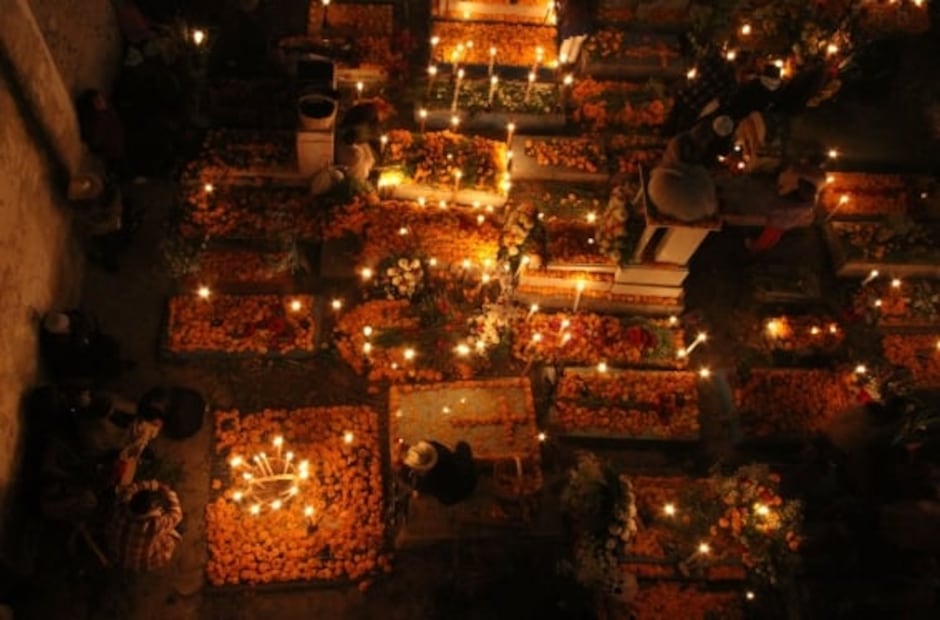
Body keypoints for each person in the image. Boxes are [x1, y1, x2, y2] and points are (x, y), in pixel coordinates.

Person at [108, 480, 182, 571]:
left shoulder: (120, 507)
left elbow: (131, 488)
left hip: (116, 555)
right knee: (171, 535)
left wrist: (153, 485)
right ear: (149, 509)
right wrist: (167, 491)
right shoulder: (153, 525)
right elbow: (177, 514)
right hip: (139, 563)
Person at [402, 440, 476, 506]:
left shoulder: (425, 482)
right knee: (462, 445)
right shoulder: (443, 453)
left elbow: (404, 475)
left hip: (451, 498)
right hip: (470, 479)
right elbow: (432, 444)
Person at [556, 0, 598, 66]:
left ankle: (564, 62)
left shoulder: (571, 5)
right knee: (576, 43)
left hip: (572, 25)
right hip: (583, 26)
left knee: (568, 41)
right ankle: (570, 62)